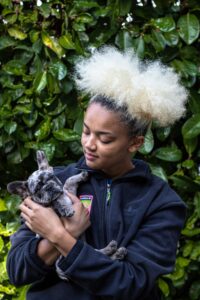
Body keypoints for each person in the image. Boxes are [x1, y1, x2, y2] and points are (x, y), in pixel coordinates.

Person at [7, 46, 188, 300]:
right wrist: (68, 232)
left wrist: (59, 235)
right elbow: (17, 270)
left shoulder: (161, 202)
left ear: (135, 143)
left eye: (104, 138)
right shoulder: (52, 182)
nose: (89, 144)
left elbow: (131, 284)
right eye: (86, 131)